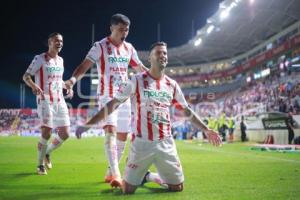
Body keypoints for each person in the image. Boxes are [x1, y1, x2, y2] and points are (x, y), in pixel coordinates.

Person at [75, 42, 222, 194]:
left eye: (165, 53)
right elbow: (112, 104)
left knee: (177, 187)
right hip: (141, 144)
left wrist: (206, 129)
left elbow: (186, 110)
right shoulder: (136, 80)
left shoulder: (172, 85)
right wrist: (89, 124)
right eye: (158, 53)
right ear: (150, 58)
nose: (163, 56)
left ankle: (148, 176)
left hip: (165, 143)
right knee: (127, 190)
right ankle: (134, 173)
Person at [64, 14, 147, 187]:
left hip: (124, 96)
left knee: (123, 136)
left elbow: (140, 68)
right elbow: (84, 66)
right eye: (120, 29)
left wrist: (156, 77)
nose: (124, 33)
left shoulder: (129, 48)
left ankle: (110, 171)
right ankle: (117, 175)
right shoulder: (100, 46)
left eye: (127, 30)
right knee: (110, 130)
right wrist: (72, 81)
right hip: (107, 95)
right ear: (112, 28)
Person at [23, 32, 72, 175]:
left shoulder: (61, 60)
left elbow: (58, 81)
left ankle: (47, 153)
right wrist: (33, 86)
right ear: (50, 42)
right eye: (57, 41)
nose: (60, 43)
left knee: (65, 133)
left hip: (59, 100)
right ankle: (39, 166)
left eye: (61, 41)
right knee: (47, 131)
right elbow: (26, 76)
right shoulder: (40, 58)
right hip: (45, 100)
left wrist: (67, 86)